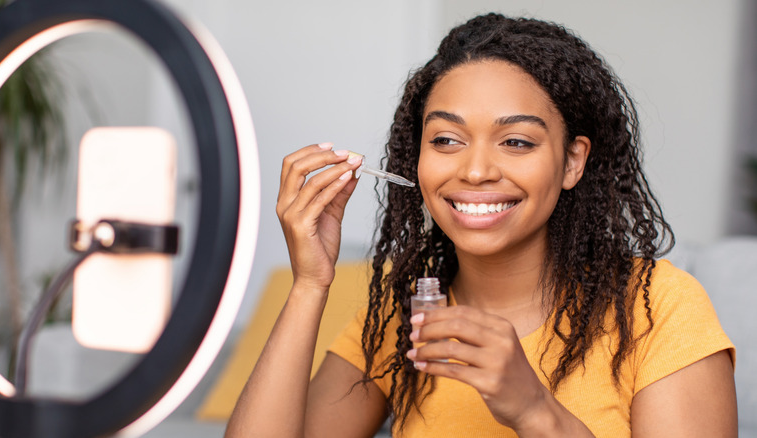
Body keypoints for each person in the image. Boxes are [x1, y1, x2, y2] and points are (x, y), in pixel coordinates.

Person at [226, 13, 737, 438]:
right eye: (447, 140)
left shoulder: (658, 307)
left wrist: (533, 408)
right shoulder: (402, 317)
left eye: (517, 142)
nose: (473, 171)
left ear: (572, 162)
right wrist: (310, 283)